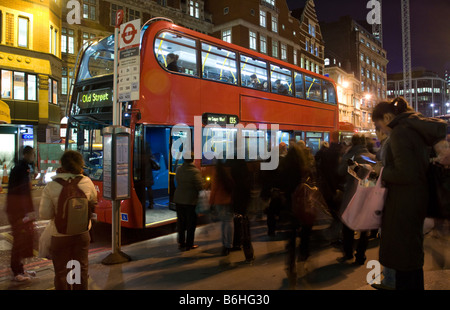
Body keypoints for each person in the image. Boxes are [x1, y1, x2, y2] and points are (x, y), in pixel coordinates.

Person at [372, 97, 447, 290]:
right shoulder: (414, 131)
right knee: (411, 258)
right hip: (415, 200)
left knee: (403, 259)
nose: (381, 130)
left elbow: (406, 173)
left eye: (379, 124)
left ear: (387, 117)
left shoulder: (399, 134)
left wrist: (381, 170)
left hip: (403, 204)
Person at [39, 150, 97, 290]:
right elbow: (94, 201)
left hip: (60, 235)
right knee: (79, 269)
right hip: (81, 234)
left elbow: (44, 214)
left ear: (62, 164)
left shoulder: (52, 186)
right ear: (80, 164)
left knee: (61, 272)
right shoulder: (87, 182)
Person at [337, 134, 375, 265]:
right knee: (364, 226)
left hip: (352, 194)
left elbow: (340, 172)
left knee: (348, 224)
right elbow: (374, 179)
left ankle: (348, 253)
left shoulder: (350, 157)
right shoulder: (372, 158)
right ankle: (361, 255)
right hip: (367, 195)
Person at [6, 146, 36, 282]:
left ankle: (20, 269)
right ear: (26, 154)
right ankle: (17, 271)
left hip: (18, 210)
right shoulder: (21, 168)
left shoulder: (23, 167)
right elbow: (21, 192)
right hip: (17, 211)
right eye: (32, 154)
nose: (33, 156)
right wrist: (25, 213)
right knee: (19, 241)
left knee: (22, 240)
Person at [173, 154, 204, 251]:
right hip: (190, 201)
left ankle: (181, 242)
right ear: (193, 159)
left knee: (181, 222)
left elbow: (176, 181)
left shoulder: (179, 169)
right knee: (191, 223)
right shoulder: (195, 171)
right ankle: (189, 244)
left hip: (179, 199)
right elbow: (200, 187)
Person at [230, 159, 254, 263]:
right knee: (245, 226)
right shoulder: (246, 178)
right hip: (244, 203)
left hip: (237, 201)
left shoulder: (234, 180)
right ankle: (248, 252)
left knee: (237, 222)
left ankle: (237, 243)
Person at [209, 159, 234, 256]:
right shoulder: (229, 169)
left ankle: (225, 244)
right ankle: (229, 244)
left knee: (224, 222)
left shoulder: (217, 171)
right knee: (229, 221)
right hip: (229, 198)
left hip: (219, 200)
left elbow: (214, 187)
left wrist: (211, 201)